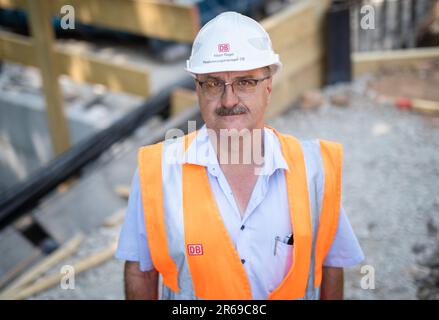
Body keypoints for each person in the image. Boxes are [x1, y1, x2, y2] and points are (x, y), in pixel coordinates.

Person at [115, 11, 364, 300]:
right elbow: (140, 270)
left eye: (245, 82)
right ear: (197, 89)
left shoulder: (315, 168)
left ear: (268, 86)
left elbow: (331, 265)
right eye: (213, 83)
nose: (229, 100)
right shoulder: (157, 172)